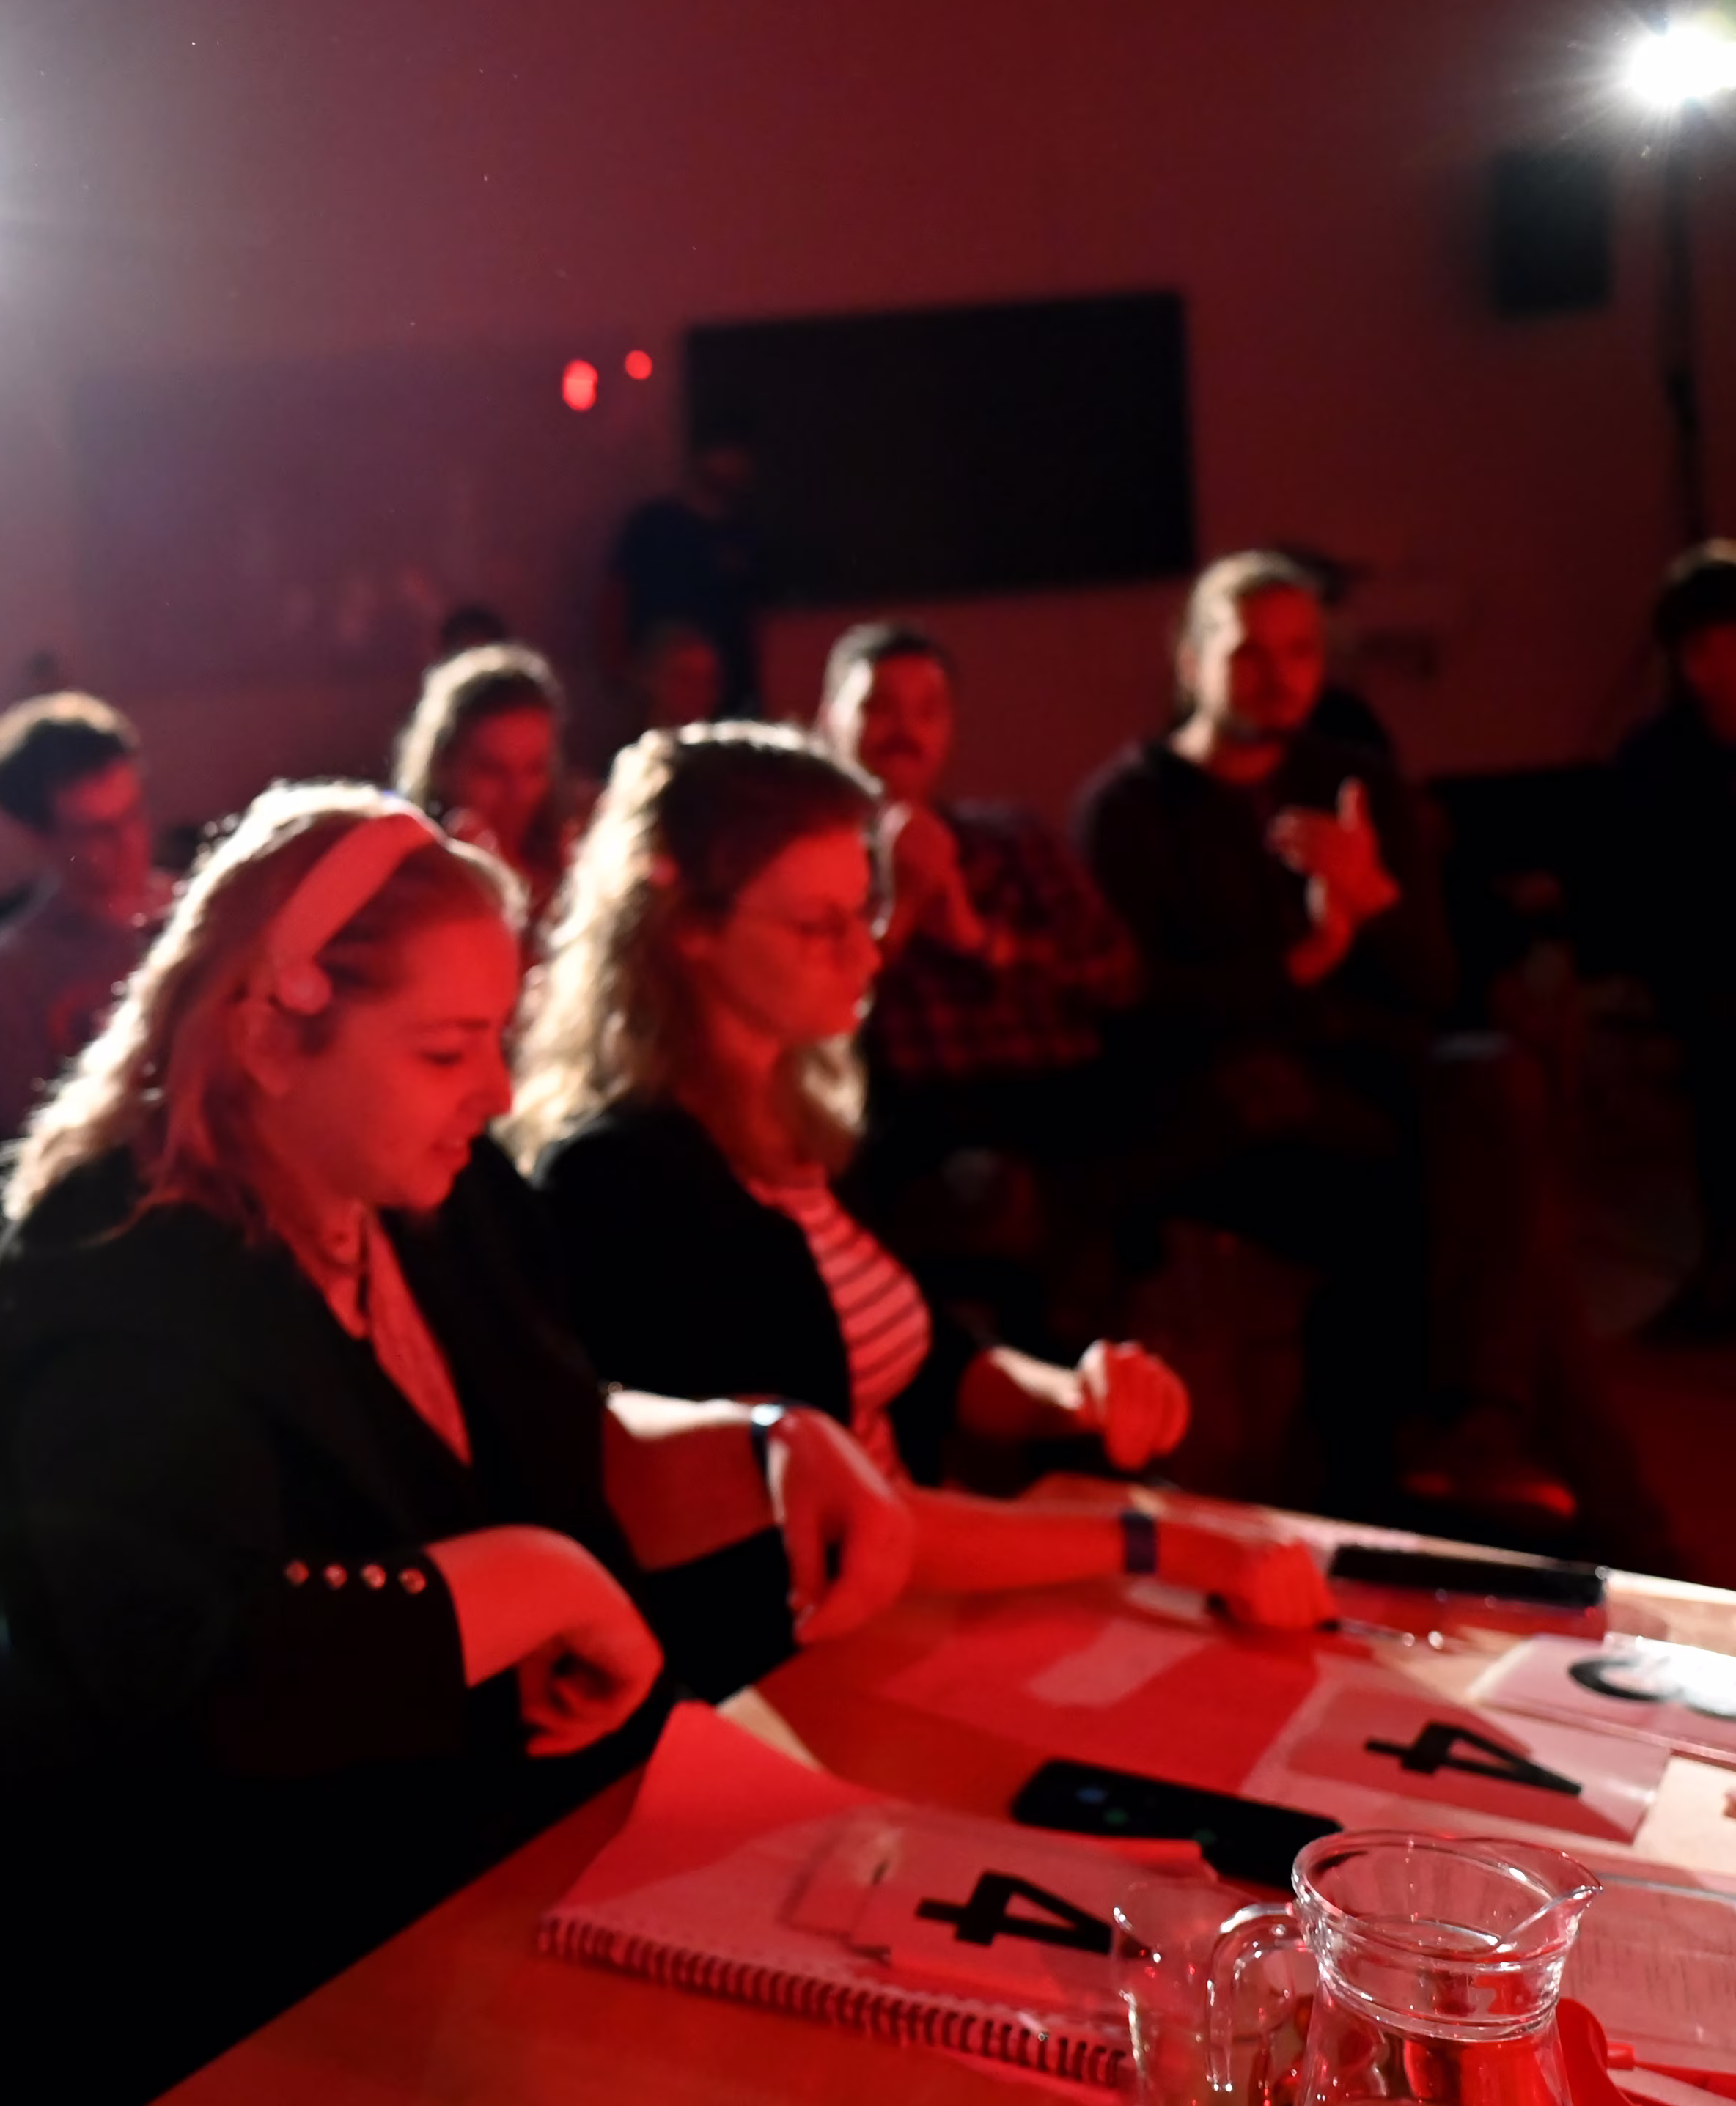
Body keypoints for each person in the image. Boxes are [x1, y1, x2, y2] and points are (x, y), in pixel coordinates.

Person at [0, 781, 919, 2106]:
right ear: (271, 1041)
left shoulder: (431, 1189)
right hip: (220, 1977)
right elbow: (213, 1678)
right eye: (446, 1052)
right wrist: (541, 1578)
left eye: (495, 1039)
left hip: (449, 1877)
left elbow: (559, 1429)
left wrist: (772, 1443)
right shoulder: (114, 1280)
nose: (495, 1091)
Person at [509, 724, 1329, 1620]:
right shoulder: (618, 1178)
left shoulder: (803, 1114)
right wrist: (1153, 1541)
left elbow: (933, 1361)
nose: (866, 954)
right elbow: (830, 1514)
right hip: (803, 1642)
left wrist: (1074, 1395)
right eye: (819, 926)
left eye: (864, 911)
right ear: (687, 929)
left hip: (908, 1603)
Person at [1073, 553, 1454, 1501]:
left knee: (1493, 1092)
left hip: (1368, 1080)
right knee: (1437, 1192)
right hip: (1219, 1113)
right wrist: (1307, 960)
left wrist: (1374, 901)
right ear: (1191, 660)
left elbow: (1437, 986)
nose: (1279, 675)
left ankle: (1473, 1432)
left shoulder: (1354, 782)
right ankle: (1422, 1460)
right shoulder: (1128, 807)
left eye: (1301, 651)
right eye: (1250, 652)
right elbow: (1136, 1010)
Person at [817, 624, 1142, 1197]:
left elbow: (1119, 977)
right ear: (828, 720)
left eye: (928, 711)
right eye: (879, 708)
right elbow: (807, 1029)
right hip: (918, 1124)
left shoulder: (1013, 838)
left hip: (1065, 1100)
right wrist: (899, 916)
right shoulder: (808, 867)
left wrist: (979, 940)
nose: (905, 731)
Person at [1615, 542, 1736, 1345]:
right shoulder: (1658, 762)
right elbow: (1646, 897)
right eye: (1703, 648)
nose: (1721, 666)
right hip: (1710, 985)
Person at [0, 692, 172, 1132]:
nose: (129, 841)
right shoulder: (9, 971)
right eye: (96, 831)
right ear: (38, 836)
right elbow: (29, 1133)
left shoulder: (203, 912)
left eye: (133, 812)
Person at [388, 642, 590, 940]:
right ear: (442, 765)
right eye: (492, 770)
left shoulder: (572, 862)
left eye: (534, 769)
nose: (517, 793)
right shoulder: (409, 882)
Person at [601, 427, 765, 717]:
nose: (731, 466)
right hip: (657, 684)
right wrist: (617, 667)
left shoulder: (743, 535)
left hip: (726, 694)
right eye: (724, 454)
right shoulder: (656, 524)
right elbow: (616, 595)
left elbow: (753, 618)